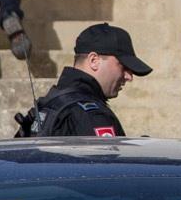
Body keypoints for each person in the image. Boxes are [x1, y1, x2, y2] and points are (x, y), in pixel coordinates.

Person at [17, 22, 151, 137]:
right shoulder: (91, 115)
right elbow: (107, 166)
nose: (129, 76)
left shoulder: (48, 105)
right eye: (123, 66)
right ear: (94, 60)